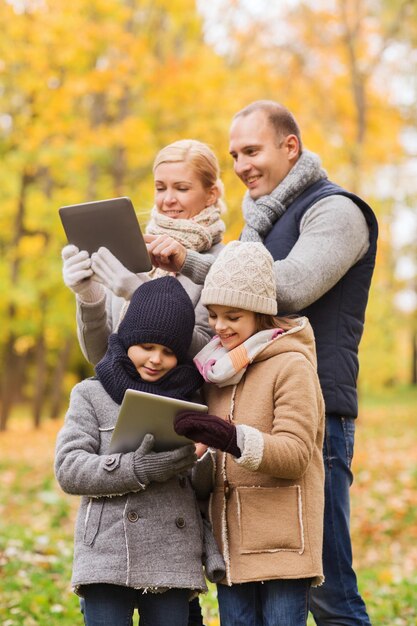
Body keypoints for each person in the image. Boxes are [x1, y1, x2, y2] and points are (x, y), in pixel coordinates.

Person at [145, 100, 378, 626]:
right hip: (244, 416)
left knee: (327, 586)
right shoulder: (260, 225)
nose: (242, 164)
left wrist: (191, 261)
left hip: (312, 417)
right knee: (250, 574)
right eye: (234, 155)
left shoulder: (336, 211)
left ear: (290, 147)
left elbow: (290, 287)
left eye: (252, 150)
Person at [55, 276, 225, 626]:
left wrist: (204, 456)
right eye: (147, 346)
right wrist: (138, 468)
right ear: (128, 339)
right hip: (106, 552)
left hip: (172, 554)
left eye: (168, 352)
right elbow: (69, 469)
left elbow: (201, 488)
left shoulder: (190, 402)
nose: (156, 359)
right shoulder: (90, 394)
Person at [172, 241, 325, 626]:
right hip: (232, 543)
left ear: (260, 315)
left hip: (283, 540)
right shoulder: (217, 370)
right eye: (213, 315)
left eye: (233, 316)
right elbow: (216, 466)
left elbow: (294, 456)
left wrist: (231, 437)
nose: (220, 327)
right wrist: (201, 455)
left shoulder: (291, 365)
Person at [61, 139, 226, 366]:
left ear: (211, 194)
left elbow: (205, 353)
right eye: (160, 188)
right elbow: (99, 356)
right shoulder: (130, 251)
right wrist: (89, 295)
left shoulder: (221, 262)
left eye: (182, 188)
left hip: (177, 397)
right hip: (116, 395)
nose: (167, 199)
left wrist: (141, 295)